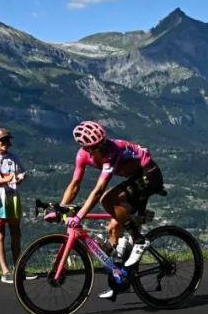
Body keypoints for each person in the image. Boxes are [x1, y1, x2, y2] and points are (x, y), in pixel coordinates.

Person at [60, 120, 164, 301]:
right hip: (135, 176)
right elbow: (75, 184)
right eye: (97, 147)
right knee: (113, 230)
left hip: (149, 174)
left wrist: (78, 216)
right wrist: (61, 208)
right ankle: (120, 280)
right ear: (88, 149)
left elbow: (99, 190)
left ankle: (138, 240)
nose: (103, 148)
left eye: (102, 144)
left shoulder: (112, 152)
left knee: (107, 199)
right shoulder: (82, 155)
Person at [0, 127, 28, 283]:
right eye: (2, 140)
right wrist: (9, 178)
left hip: (12, 198)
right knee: (0, 234)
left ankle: (18, 268)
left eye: (7, 140)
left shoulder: (13, 157)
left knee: (16, 233)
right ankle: (5, 271)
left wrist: (21, 177)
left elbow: (22, 172)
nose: (5, 143)